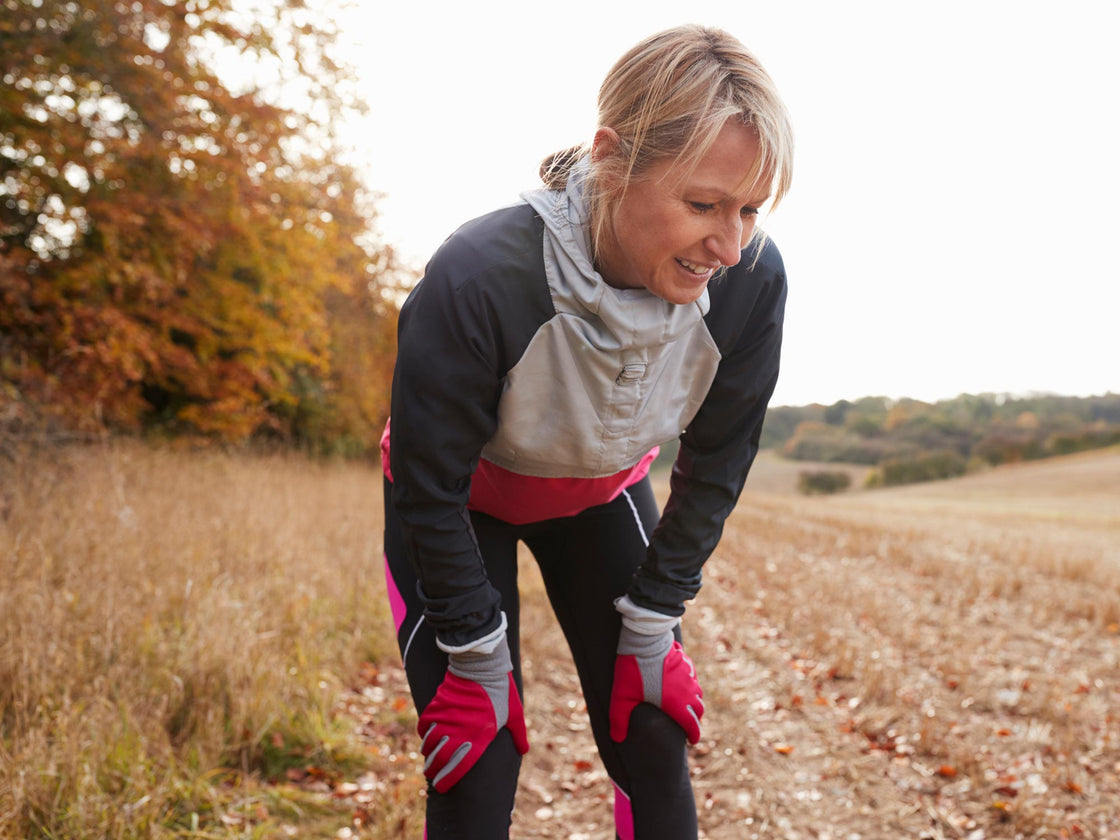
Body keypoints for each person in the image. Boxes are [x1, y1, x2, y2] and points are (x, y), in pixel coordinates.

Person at [380, 24, 793, 839]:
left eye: (749, 209)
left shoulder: (751, 278)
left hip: (601, 495)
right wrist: (474, 649)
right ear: (612, 157)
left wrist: (656, 616)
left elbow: (717, 462)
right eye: (703, 204)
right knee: (478, 752)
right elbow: (431, 487)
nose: (729, 243)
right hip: (461, 503)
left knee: (651, 735)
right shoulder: (478, 275)